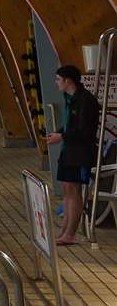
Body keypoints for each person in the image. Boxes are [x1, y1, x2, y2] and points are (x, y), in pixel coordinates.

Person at [46, 63, 102, 246]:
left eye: (58, 80)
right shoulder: (70, 98)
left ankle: (70, 233)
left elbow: (86, 131)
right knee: (67, 190)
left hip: (80, 153)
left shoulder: (86, 100)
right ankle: (64, 231)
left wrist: (61, 135)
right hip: (68, 151)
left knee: (74, 191)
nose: (56, 83)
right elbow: (71, 124)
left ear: (67, 80)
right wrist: (59, 133)